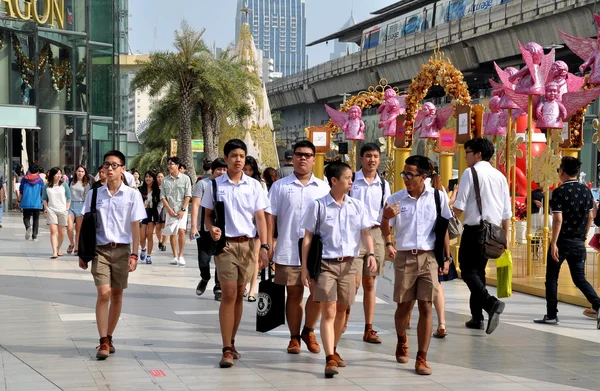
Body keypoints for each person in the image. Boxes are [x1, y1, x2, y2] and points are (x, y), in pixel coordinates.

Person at [300, 162, 375, 378]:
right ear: (334, 180)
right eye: (347, 178)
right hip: (325, 264)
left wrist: (370, 254)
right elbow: (307, 238)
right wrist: (305, 267)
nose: (351, 182)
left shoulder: (356, 206)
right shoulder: (318, 206)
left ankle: (333, 348)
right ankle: (329, 357)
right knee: (329, 310)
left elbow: (365, 233)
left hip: (350, 264)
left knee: (342, 309)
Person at [201, 139, 270, 368]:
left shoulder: (254, 186)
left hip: (249, 245)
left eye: (241, 155)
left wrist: (265, 247)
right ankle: (226, 348)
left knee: (240, 294)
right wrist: (212, 228)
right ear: (226, 158)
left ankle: (232, 340)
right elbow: (207, 215)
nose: (238, 159)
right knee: (229, 294)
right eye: (233, 155)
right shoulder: (215, 185)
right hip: (226, 246)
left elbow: (260, 217)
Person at [380, 155, 452, 376]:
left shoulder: (438, 198)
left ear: (424, 176)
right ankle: (402, 340)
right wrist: (385, 220)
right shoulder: (396, 199)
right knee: (404, 306)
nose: (406, 178)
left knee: (426, 306)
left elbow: (444, 229)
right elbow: (385, 226)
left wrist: (446, 258)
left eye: (410, 174)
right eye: (404, 174)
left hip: (429, 257)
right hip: (404, 258)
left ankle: (422, 357)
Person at [79, 150, 146, 360]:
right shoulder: (94, 194)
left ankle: (109, 336)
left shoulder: (132, 195)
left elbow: (136, 226)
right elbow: (85, 224)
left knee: (117, 295)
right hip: (100, 249)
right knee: (104, 293)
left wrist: (135, 254)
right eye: (106, 164)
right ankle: (103, 341)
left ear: (123, 169)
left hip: (123, 250)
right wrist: (82, 253)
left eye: (114, 165)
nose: (109, 168)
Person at [267, 140, 329, 355]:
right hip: (288, 248)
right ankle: (294, 337)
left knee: (318, 292)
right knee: (293, 294)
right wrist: (268, 245)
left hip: (317, 252)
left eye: (307, 155)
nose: (303, 158)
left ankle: (308, 330)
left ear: (314, 159)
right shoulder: (279, 186)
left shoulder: (324, 187)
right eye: (299, 154)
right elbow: (270, 218)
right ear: (292, 158)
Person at [453, 137, 511, 334]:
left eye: (467, 152)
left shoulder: (470, 173)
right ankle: (476, 317)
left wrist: (448, 225)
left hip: (475, 230)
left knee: (467, 270)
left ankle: (490, 303)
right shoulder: (500, 176)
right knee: (478, 272)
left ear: (478, 154)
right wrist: (507, 238)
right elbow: (506, 212)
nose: (465, 156)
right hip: (493, 232)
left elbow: (459, 206)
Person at [534, 157, 600, 326]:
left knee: (552, 277)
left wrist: (554, 243)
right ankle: (598, 304)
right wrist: (583, 236)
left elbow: (557, 220)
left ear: (561, 171)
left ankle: (551, 314)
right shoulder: (586, 191)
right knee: (579, 278)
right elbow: (591, 216)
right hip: (578, 242)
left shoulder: (559, 192)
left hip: (562, 241)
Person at [348, 143, 391, 344]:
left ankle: (369, 328)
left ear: (379, 159)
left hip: (375, 234)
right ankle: (343, 320)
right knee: (353, 283)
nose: (371, 160)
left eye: (375, 156)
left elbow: (386, 215)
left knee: (370, 282)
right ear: (361, 158)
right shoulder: (351, 181)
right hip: (354, 234)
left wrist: (389, 241)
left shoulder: (383, 184)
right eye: (367, 156)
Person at [190, 158, 227, 301]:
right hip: (203, 229)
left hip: (221, 229)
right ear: (213, 170)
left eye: (224, 169)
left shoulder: (226, 185)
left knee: (220, 259)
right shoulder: (203, 184)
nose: (221, 172)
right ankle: (205, 277)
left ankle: (218, 287)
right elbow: (195, 205)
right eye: (219, 169)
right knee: (203, 260)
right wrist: (193, 226)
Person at [243, 156, 267, 302]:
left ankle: (252, 290)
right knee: (244, 258)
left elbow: (263, 208)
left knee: (254, 258)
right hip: (242, 227)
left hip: (256, 225)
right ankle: (244, 286)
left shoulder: (259, 185)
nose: (247, 172)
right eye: (245, 169)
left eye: (250, 170)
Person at [161, 156, 192, 266]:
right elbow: (163, 197)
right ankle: (174, 256)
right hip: (170, 210)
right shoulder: (165, 180)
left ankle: (181, 255)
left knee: (181, 231)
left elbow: (188, 195)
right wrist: (169, 209)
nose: (169, 166)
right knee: (172, 231)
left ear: (177, 166)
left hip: (181, 209)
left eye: (172, 164)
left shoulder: (185, 179)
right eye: (168, 164)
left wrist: (183, 209)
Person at [42, 168, 71, 258]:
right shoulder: (47, 186)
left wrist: (67, 208)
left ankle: (59, 248)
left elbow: (69, 197)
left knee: (62, 233)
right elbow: (44, 198)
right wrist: (46, 208)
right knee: (53, 231)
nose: (59, 175)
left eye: (60, 174)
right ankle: (54, 251)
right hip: (52, 210)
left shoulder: (64, 185)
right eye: (57, 174)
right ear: (52, 175)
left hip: (63, 210)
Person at [67, 166, 91, 255]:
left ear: (84, 173)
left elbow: (87, 198)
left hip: (81, 206)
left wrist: (85, 209)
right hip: (71, 205)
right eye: (79, 171)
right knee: (69, 227)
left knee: (78, 229)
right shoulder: (71, 182)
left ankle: (77, 247)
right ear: (76, 172)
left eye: (82, 171)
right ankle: (71, 243)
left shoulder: (87, 184)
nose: (80, 173)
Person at [139, 171, 161, 265]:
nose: (148, 178)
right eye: (146, 176)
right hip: (142, 213)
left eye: (150, 177)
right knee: (142, 236)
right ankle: (143, 249)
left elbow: (160, 203)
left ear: (153, 179)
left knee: (149, 235)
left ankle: (149, 255)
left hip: (152, 213)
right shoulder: (140, 189)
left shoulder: (157, 191)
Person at [17, 164, 44, 241]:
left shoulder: (24, 179)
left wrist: (18, 200)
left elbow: (21, 191)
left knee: (26, 217)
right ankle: (34, 236)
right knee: (36, 219)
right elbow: (42, 192)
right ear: (37, 171)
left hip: (26, 202)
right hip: (37, 202)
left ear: (29, 170)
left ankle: (28, 227)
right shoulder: (40, 181)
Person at [155, 172, 167, 251]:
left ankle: (164, 243)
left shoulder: (166, 186)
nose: (160, 178)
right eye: (158, 177)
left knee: (165, 227)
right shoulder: (154, 187)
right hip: (157, 208)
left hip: (166, 207)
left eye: (161, 177)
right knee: (158, 227)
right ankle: (160, 240)